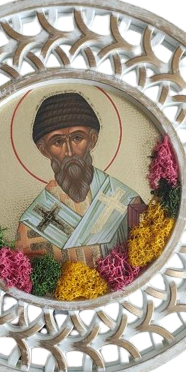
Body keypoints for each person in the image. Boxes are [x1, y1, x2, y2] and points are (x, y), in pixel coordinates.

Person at [16, 92, 143, 267]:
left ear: (92, 140)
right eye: (58, 142)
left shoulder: (128, 203)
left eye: (77, 138)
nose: (69, 151)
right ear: (44, 150)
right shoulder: (31, 224)